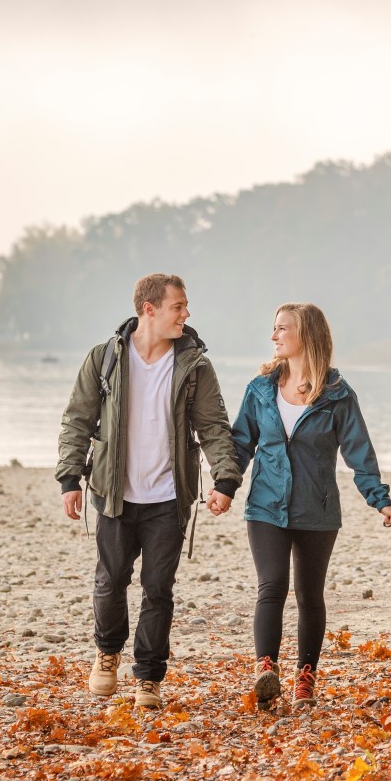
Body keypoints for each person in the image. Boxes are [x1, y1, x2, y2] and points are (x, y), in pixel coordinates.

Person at [57, 273, 241, 710]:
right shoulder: (104, 359)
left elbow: (213, 427)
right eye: (178, 306)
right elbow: (77, 420)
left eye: (186, 306)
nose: (186, 314)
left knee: (158, 588)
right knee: (111, 581)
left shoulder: (194, 365)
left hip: (167, 497)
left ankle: (148, 678)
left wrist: (225, 479)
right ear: (150, 309)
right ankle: (107, 652)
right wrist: (69, 478)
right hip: (113, 493)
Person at [210, 302, 391, 707]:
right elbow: (241, 443)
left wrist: (380, 501)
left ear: (306, 336)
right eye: (274, 328)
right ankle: (266, 669)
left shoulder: (337, 395)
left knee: (309, 594)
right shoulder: (260, 389)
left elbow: (359, 454)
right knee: (272, 585)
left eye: (282, 329)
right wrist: (225, 487)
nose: (274, 336)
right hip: (265, 505)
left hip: (317, 510)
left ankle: (305, 679)